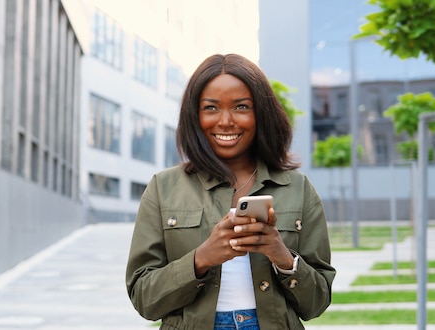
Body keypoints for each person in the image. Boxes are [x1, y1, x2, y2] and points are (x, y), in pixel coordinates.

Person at [125, 53, 335, 330]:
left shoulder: (298, 188)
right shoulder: (163, 188)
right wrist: (201, 259)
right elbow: (144, 299)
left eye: (241, 107)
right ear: (195, 115)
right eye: (211, 108)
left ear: (261, 113)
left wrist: (282, 256)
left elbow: (316, 303)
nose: (225, 121)